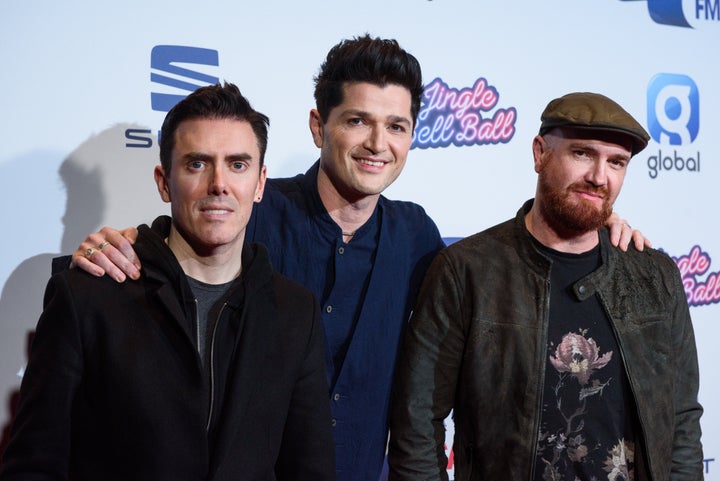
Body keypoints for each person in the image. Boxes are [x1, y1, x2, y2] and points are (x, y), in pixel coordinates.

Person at [58, 38, 647, 481]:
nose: (376, 144)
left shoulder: (419, 237)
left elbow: (509, 260)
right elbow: (182, 244)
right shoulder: (252, 211)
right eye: (358, 120)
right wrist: (123, 242)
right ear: (319, 126)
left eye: (396, 126)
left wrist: (593, 220)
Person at [0, 82, 335, 481]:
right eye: (197, 164)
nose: (219, 184)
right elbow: (34, 465)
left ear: (260, 183)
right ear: (163, 181)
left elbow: (309, 470)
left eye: (238, 165)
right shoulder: (89, 295)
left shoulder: (296, 313)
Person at [387, 92, 703, 481]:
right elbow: (417, 419)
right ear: (540, 153)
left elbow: (682, 421)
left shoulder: (655, 277)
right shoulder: (466, 271)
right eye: (583, 154)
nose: (599, 177)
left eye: (616, 162)